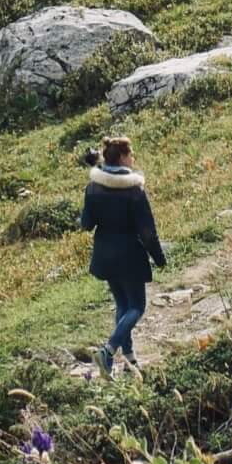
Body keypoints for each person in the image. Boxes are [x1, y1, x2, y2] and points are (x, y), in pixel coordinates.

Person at [80, 133, 166, 373]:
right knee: (137, 306)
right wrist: (159, 257)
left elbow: (86, 223)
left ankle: (130, 359)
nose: (134, 157)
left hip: (104, 254)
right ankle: (108, 351)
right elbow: (147, 232)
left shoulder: (93, 187)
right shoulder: (134, 191)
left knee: (122, 304)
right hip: (129, 254)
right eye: (131, 153)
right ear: (122, 158)